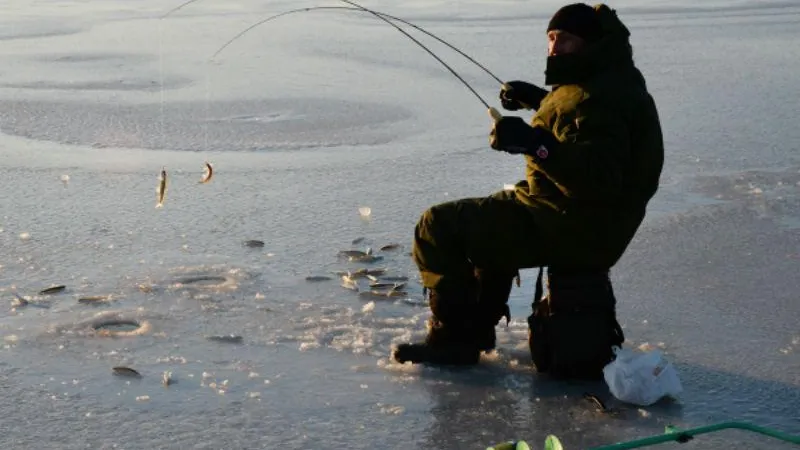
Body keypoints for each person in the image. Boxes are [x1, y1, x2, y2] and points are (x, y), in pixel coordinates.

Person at [392, 3, 664, 379]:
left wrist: (536, 143)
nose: (554, 48)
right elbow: (578, 121)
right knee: (490, 221)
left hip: (572, 222)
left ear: (589, 44)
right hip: (573, 214)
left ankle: (456, 340)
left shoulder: (598, 99)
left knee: (437, 226)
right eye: (551, 38)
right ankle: (474, 330)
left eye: (566, 40)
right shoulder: (607, 77)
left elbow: (598, 179)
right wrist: (538, 100)